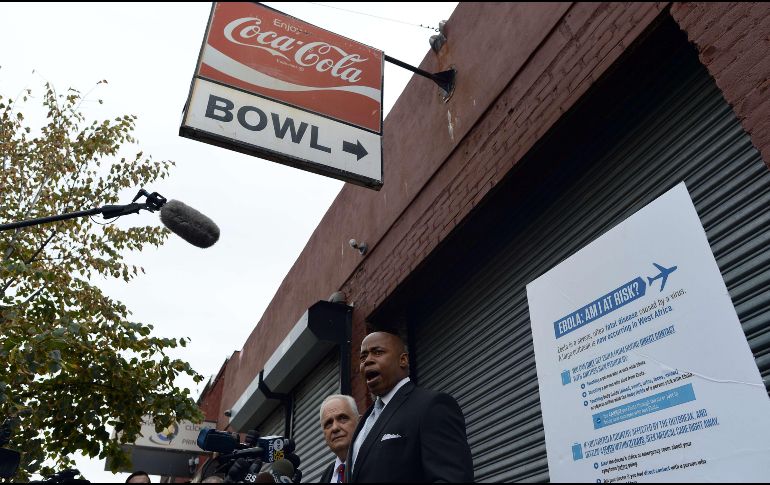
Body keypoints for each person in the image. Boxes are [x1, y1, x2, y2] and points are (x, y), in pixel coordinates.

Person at [347, 331, 474, 482]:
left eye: (377, 352)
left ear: (403, 360)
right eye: (363, 357)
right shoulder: (364, 421)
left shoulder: (431, 406)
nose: (367, 360)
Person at [318, 394, 360, 482]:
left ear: (360, 422)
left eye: (342, 418)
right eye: (328, 423)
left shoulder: (376, 459)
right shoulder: (326, 477)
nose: (335, 428)